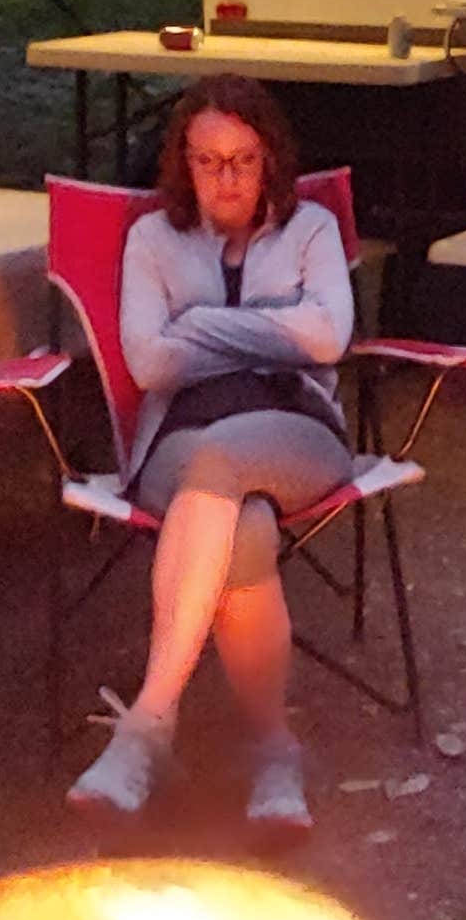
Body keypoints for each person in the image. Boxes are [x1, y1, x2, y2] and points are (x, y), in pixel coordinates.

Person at [69, 75, 354, 836]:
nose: (226, 178)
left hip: (294, 427)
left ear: (270, 161)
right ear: (182, 164)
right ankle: (275, 753)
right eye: (207, 161)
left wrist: (196, 326)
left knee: (224, 460)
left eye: (243, 159)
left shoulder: (313, 231)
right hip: (178, 438)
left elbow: (329, 340)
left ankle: (149, 725)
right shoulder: (152, 240)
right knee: (246, 530)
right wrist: (272, 327)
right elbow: (148, 365)